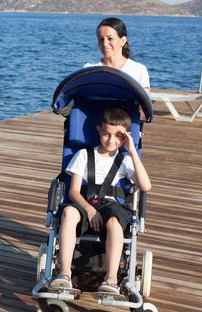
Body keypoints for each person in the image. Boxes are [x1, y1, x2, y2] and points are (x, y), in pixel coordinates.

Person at [50, 107, 151, 294]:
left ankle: (111, 279)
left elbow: (145, 186)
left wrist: (132, 150)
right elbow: (73, 191)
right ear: (98, 130)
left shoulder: (126, 160)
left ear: (126, 137)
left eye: (118, 136)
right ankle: (64, 274)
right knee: (68, 212)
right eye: (106, 134)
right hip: (84, 203)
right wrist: (89, 209)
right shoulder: (83, 155)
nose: (111, 140)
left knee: (114, 221)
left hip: (111, 206)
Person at [84, 17, 150, 94]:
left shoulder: (139, 70)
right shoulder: (88, 69)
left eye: (110, 38)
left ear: (122, 41)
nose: (105, 44)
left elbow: (144, 103)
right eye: (101, 39)